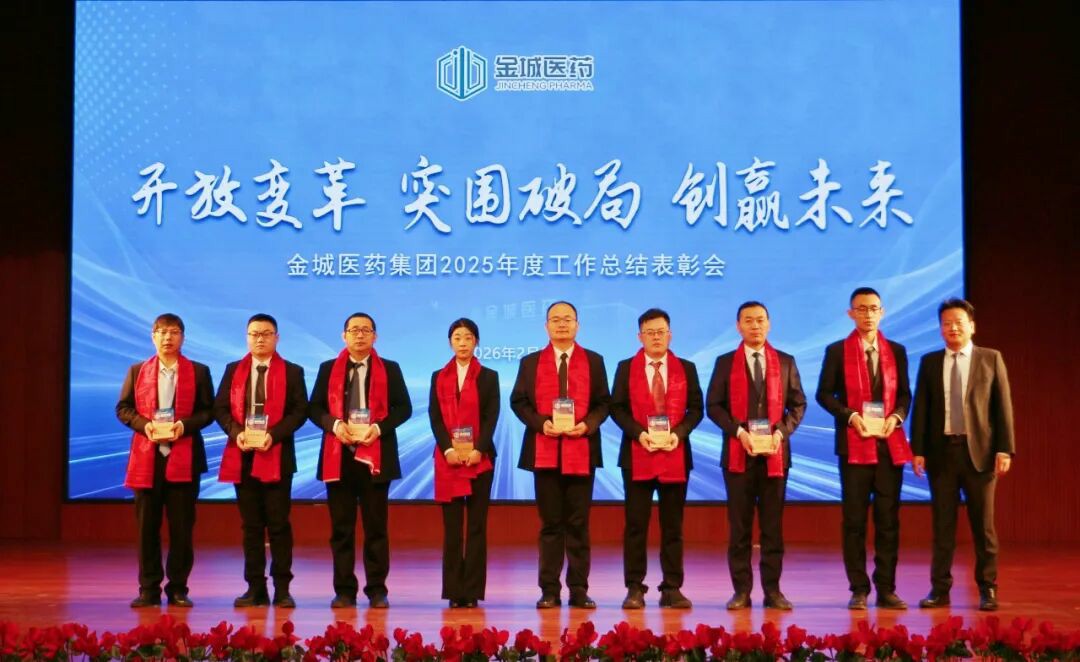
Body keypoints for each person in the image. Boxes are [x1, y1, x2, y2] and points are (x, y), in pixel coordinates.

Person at [911, 298, 1015, 612]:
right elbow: (922, 408)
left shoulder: (990, 358)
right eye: (946, 323)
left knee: (983, 527)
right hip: (942, 454)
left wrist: (1005, 448)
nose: (952, 328)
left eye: (958, 322)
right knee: (942, 527)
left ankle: (988, 588)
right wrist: (918, 450)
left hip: (980, 454)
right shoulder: (930, 362)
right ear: (940, 329)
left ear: (972, 326)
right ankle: (939, 589)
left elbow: (1002, 406)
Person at [705, 301, 807, 611]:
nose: (755, 325)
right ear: (738, 326)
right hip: (739, 455)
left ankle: (773, 591)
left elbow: (798, 404)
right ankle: (741, 591)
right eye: (748, 320)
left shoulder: (786, 361)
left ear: (769, 324)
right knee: (740, 529)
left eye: (760, 320)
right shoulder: (725, 362)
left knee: (772, 528)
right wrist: (739, 432)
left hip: (775, 456)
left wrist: (780, 433)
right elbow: (714, 406)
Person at [816, 287, 912, 610]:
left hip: (887, 446)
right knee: (855, 521)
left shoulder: (896, 351)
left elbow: (905, 395)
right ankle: (858, 588)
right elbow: (824, 394)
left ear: (882, 312)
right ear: (850, 313)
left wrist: (897, 417)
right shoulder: (836, 351)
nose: (868, 314)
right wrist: (850, 416)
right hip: (853, 446)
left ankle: (886, 588)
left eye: (873, 308)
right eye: (861, 308)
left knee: (888, 521)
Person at [309, 312, 413, 609]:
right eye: (353, 330)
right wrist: (334, 425)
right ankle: (344, 591)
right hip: (338, 457)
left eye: (365, 330)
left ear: (375, 336)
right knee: (341, 529)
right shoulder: (328, 369)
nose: (359, 335)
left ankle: (377, 590)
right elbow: (314, 408)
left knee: (376, 528)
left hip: (376, 455)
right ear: (344, 336)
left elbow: (403, 408)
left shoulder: (390, 369)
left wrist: (378, 428)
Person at [510, 301, 610, 609]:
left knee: (578, 524)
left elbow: (604, 403)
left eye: (568, 319)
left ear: (577, 325)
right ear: (546, 326)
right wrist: (541, 424)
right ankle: (549, 590)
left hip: (581, 450)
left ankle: (579, 589)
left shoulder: (594, 361)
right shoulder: (530, 363)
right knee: (550, 524)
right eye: (556, 320)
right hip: (545, 452)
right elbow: (518, 402)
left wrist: (587, 424)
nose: (562, 324)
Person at [115, 313, 214, 608]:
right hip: (148, 459)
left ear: (183, 337)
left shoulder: (199, 372)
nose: (167, 337)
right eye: (162, 332)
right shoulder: (137, 371)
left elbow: (208, 411)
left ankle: (178, 588)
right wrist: (145, 426)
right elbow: (123, 408)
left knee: (182, 528)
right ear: (153, 336)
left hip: (185, 457)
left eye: (173, 332)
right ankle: (148, 588)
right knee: (147, 528)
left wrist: (183, 425)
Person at [609, 308, 703, 609]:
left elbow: (696, 409)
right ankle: (634, 587)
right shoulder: (626, 367)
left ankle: (672, 587)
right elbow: (617, 408)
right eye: (650, 332)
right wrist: (639, 434)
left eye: (661, 332)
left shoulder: (686, 368)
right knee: (636, 525)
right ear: (640, 337)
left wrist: (679, 433)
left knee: (672, 526)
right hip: (637, 454)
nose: (656, 337)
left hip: (676, 453)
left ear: (670, 334)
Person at [214, 313, 308, 608]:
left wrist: (274, 435)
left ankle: (282, 589)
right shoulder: (233, 370)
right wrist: (236, 432)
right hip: (242, 455)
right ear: (247, 338)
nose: (260, 339)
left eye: (266, 334)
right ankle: (255, 588)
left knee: (279, 525)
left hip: (277, 456)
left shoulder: (292, 371)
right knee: (251, 526)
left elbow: (299, 411)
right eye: (254, 334)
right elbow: (220, 408)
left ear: (276, 338)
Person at [428, 318, 500, 608]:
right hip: (449, 460)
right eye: (457, 337)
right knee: (453, 529)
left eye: (468, 337)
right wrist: (447, 449)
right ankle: (454, 592)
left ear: (476, 342)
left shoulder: (489, 376)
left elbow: (491, 416)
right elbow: (435, 417)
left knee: (477, 527)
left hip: (479, 459)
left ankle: (471, 592)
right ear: (450, 342)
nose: (462, 343)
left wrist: (479, 449)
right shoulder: (438, 376)